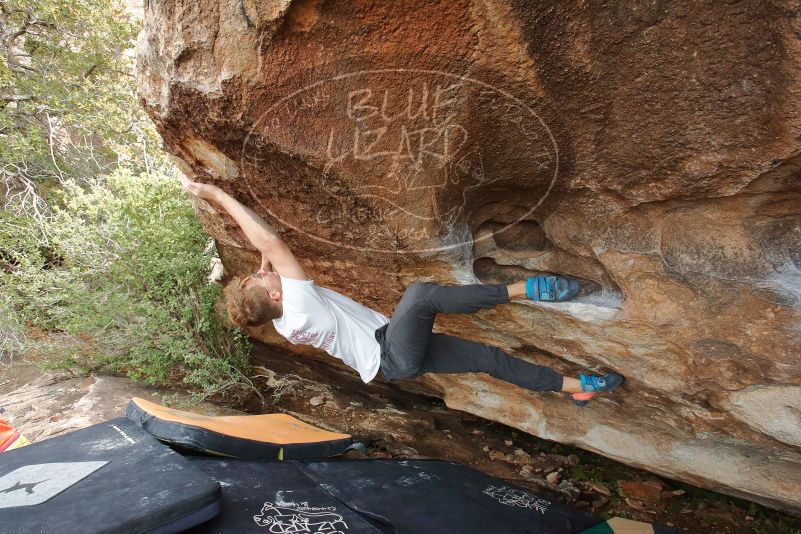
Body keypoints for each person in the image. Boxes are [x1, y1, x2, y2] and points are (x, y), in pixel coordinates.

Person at [179, 176, 624, 405]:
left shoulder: (286, 320)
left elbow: (268, 260)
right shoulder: (300, 304)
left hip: (396, 361)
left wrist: (261, 273)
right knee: (419, 295)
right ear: (276, 296)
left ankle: (577, 387)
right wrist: (217, 195)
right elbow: (272, 245)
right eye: (264, 278)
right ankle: (531, 288)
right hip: (393, 351)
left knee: (490, 359)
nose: (267, 270)